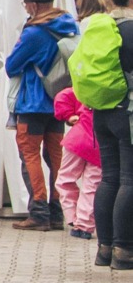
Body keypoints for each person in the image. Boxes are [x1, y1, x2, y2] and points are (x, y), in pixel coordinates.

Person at [4, 0, 79, 232]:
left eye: (26, 2)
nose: (25, 7)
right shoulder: (68, 26)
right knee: (56, 158)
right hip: (59, 101)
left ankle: (38, 213)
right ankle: (58, 212)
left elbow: (12, 66)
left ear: (34, 5)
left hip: (33, 101)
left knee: (30, 155)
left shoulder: (34, 32)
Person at [91, 0, 133, 269]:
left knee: (108, 178)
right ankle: (124, 250)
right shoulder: (130, 28)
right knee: (129, 180)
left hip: (101, 110)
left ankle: (104, 248)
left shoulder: (100, 27)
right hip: (128, 112)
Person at [52, 80, 101, 241]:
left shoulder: (86, 84)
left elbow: (62, 96)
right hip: (101, 143)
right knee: (91, 185)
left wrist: (68, 115)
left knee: (64, 180)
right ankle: (84, 225)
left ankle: (73, 218)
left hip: (78, 139)